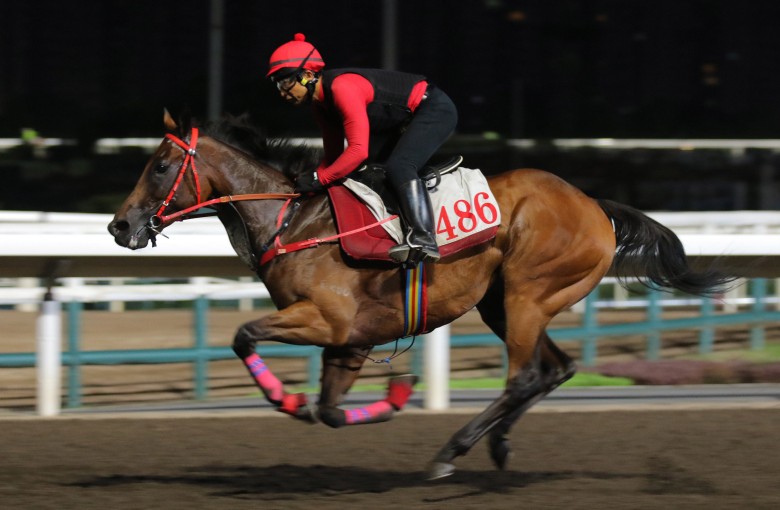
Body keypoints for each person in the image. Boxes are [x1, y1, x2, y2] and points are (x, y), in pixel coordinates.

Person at [266, 33, 458, 263]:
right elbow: (334, 157)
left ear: (308, 75)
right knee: (370, 174)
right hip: (403, 122)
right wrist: (312, 180)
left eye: (286, 82)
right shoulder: (321, 107)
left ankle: (424, 237)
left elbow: (358, 151)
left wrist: (321, 177)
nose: (282, 92)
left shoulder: (342, 88)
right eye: (277, 84)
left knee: (399, 166)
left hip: (434, 109)